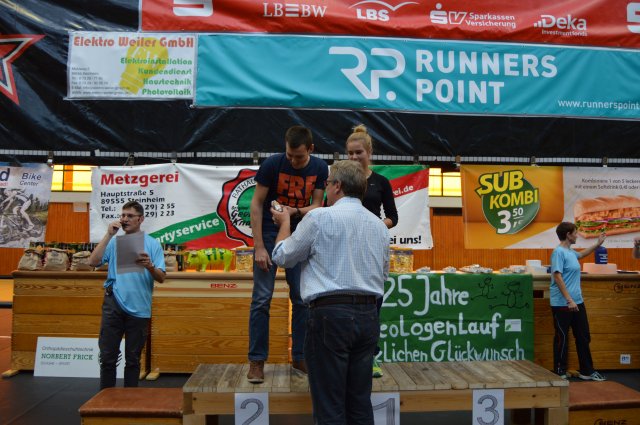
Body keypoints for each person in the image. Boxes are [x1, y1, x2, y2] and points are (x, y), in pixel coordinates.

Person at [271, 160, 390, 425]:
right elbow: (383, 275)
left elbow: (282, 256)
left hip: (329, 316)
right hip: (368, 314)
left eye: (327, 184)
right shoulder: (379, 226)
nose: (325, 189)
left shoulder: (318, 218)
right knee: (360, 403)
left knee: (329, 406)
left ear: (337, 186)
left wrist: (284, 223)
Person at [247, 125, 328, 383]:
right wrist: (259, 246)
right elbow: (256, 204)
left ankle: (300, 357)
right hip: (269, 233)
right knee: (262, 299)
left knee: (302, 299)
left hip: (300, 234)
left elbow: (317, 205)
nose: (293, 161)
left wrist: (294, 213)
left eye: (299, 157)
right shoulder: (272, 164)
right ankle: (257, 361)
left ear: (311, 149)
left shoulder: (320, 168)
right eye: (289, 155)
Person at [89, 201, 166, 389]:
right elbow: (93, 261)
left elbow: (161, 277)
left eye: (130, 216)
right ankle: (106, 398)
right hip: (113, 303)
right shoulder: (114, 241)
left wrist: (150, 266)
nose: (125, 219)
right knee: (107, 357)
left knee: (133, 359)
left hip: (139, 307)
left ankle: (130, 399)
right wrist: (108, 234)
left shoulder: (152, 243)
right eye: (123, 215)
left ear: (141, 219)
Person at [346, 124, 398, 378]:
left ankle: (371, 356)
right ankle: (346, 356)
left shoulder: (381, 182)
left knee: (373, 304)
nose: (354, 157)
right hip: (346, 249)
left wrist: (374, 226)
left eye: (359, 152)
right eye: (350, 153)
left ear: (369, 153)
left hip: (373, 249)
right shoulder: (343, 181)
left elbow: (393, 217)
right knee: (346, 304)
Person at [550, 222, 606, 381]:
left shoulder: (570, 252)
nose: (577, 235)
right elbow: (557, 276)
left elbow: (581, 255)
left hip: (577, 302)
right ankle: (560, 371)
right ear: (568, 235)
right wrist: (569, 300)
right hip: (562, 303)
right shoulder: (558, 252)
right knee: (562, 337)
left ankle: (587, 371)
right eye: (575, 233)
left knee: (583, 336)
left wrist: (597, 244)